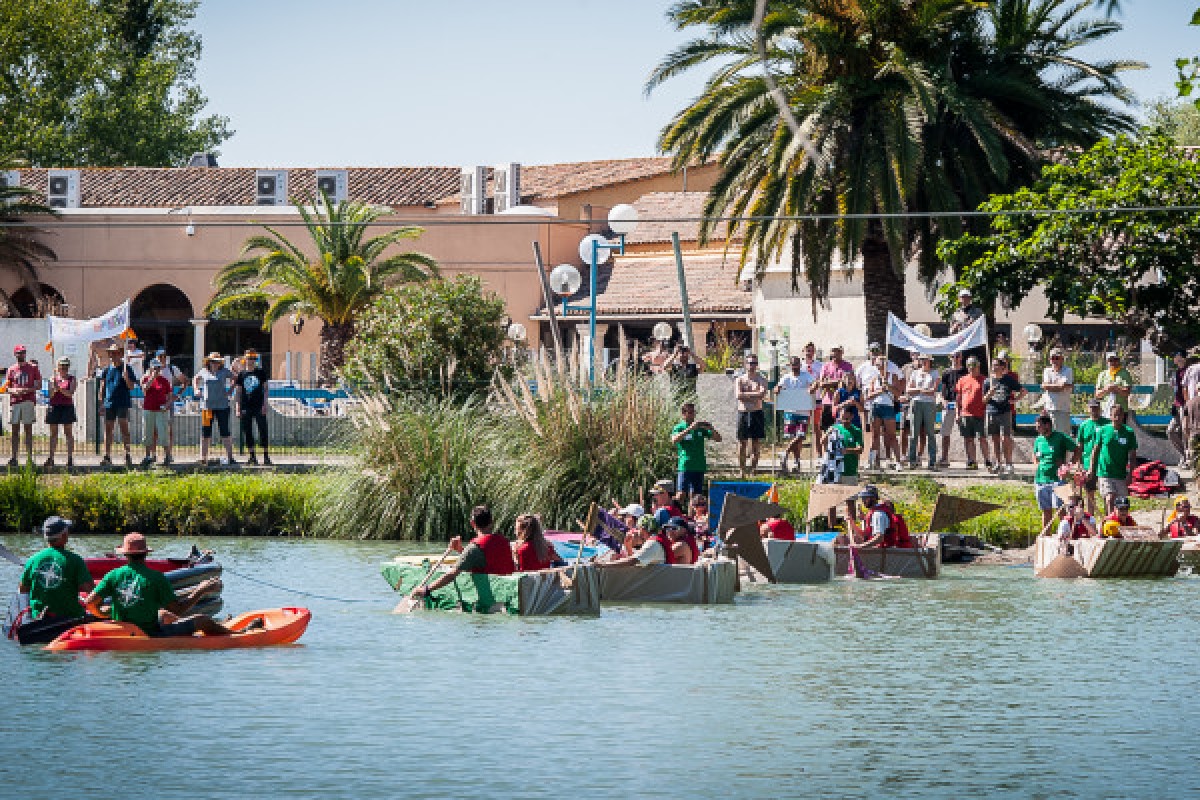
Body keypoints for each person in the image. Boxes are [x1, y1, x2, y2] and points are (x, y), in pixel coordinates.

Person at [85, 532, 231, 637]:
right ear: (146, 553)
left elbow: (90, 602)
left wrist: (103, 613)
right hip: (150, 633)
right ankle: (236, 633)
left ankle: (221, 626)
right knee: (201, 620)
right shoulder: (156, 578)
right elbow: (177, 610)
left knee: (163, 613)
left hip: (122, 629)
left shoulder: (113, 575)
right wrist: (201, 590)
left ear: (125, 554)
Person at [409, 506, 515, 600]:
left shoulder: (474, 547)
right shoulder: (505, 541)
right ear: (491, 522)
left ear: (472, 523)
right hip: (507, 593)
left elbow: (452, 575)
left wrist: (426, 590)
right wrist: (460, 550)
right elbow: (485, 559)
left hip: (490, 596)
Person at [18, 517, 93, 622]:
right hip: (70, 619)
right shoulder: (75, 560)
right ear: (64, 535)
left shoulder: (32, 560)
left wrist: (28, 617)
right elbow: (89, 589)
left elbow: (23, 590)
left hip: (38, 620)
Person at [1032, 413, 1080, 530]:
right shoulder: (1038, 440)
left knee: (1061, 511)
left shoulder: (1060, 437)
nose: (1037, 429)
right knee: (1046, 511)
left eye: (1039, 426)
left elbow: (1077, 449)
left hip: (1058, 480)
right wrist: (1037, 464)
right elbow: (1034, 455)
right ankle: (1046, 536)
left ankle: (1064, 535)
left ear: (1047, 425)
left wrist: (1069, 465)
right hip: (1041, 480)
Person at [1087, 404, 1137, 517]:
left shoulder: (1129, 432)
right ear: (1110, 416)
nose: (1117, 418)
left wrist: (1131, 474)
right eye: (1115, 415)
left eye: (1120, 415)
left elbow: (1133, 455)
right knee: (1109, 499)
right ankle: (1110, 525)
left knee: (1121, 503)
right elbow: (1095, 451)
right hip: (1105, 472)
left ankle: (1119, 525)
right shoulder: (1103, 430)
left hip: (1120, 473)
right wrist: (1091, 468)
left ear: (1123, 416)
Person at [983, 357, 1025, 474]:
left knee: (1005, 438)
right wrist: (989, 394)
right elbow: (984, 400)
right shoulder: (987, 381)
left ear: (1002, 367)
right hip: (991, 412)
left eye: (996, 365)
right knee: (994, 438)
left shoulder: (1008, 380)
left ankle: (1009, 463)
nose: (994, 367)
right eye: (993, 365)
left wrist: (1015, 400)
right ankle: (998, 462)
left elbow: (1023, 391)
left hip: (1005, 412)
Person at [775, 356, 815, 473]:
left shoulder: (805, 375)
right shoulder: (786, 377)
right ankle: (797, 463)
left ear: (800, 364)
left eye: (797, 364)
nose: (795, 367)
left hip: (803, 411)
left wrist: (812, 388)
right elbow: (778, 387)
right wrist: (777, 389)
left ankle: (785, 453)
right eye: (793, 365)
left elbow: (815, 383)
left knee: (801, 436)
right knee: (794, 438)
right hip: (790, 411)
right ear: (790, 365)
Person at [194, 352, 235, 466]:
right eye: (213, 361)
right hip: (207, 407)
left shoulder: (224, 371)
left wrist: (231, 390)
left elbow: (235, 378)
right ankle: (203, 458)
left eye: (217, 362)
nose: (215, 364)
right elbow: (195, 379)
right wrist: (196, 389)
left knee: (225, 431)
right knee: (205, 432)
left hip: (222, 406)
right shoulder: (204, 371)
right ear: (209, 362)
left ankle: (230, 457)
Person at [4, 344, 41, 467]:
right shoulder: (11, 369)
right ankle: (14, 457)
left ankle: (30, 458)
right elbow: (6, 387)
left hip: (28, 401)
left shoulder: (33, 368)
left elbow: (39, 385)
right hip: (15, 402)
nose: (21, 354)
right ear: (15, 354)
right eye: (19, 352)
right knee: (14, 430)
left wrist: (26, 390)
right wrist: (13, 391)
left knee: (28, 430)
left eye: (23, 352)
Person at [671, 402, 721, 494]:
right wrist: (689, 429)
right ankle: (677, 508)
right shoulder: (679, 427)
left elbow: (718, 439)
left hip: (699, 465)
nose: (692, 415)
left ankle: (691, 509)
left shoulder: (700, 428)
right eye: (689, 412)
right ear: (683, 414)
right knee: (681, 493)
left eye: (693, 412)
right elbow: (674, 440)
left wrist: (711, 428)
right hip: (685, 465)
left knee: (695, 495)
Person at [99, 343, 136, 467]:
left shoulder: (127, 369)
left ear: (120, 354)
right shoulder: (107, 370)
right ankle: (107, 455)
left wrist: (126, 378)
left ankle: (127, 454)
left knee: (124, 428)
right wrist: (101, 403)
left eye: (116, 353)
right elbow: (102, 387)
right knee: (108, 429)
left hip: (122, 402)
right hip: (109, 403)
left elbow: (131, 387)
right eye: (112, 353)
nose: (114, 355)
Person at [234, 348, 271, 466]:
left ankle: (266, 456)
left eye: (253, 358)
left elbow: (265, 389)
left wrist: (265, 404)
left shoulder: (261, 373)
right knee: (248, 431)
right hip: (246, 406)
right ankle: (252, 457)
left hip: (259, 406)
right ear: (245, 359)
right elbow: (238, 392)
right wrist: (238, 407)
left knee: (263, 430)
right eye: (249, 358)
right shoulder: (242, 374)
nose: (251, 361)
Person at [864, 354, 901, 470]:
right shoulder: (874, 379)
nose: (880, 364)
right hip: (876, 406)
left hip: (888, 406)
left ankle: (898, 461)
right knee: (875, 435)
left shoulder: (892, 376)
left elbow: (898, 393)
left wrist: (888, 387)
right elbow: (869, 395)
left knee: (891, 435)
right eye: (879, 362)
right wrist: (880, 390)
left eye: (883, 362)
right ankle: (873, 460)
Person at [734, 354, 769, 477]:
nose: (752, 366)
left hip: (756, 413)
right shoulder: (740, 379)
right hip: (743, 412)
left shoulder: (762, 379)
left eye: (754, 363)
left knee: (755, 443)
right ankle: (742, 470)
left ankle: (753, 470)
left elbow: (761, 395)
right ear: (745, 364)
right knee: (741, 443)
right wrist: (754, 393)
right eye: (749, 363)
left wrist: (746, 394)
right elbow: (738, 395)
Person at [1075, 399, 1110, 517]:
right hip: (1087, 463)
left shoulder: (1107, 423)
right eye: (1092, 408)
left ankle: (1108, 518)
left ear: (1100, 408)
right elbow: (1080, 445)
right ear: (1088, 409)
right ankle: (1091, 519)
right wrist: (1078, 464)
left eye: (1096, 407)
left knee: (1107, 493)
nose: (1094, 410)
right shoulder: (1084, 425)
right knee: (1089, 493)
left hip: (1103, 463)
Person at [596, 515, 674, 567]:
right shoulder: (655, 541)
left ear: (642, 529)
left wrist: (604, 565)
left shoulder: (653, 543)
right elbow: (635, 561)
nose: (636, 531)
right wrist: (628, 547)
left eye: (637, 528)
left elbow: (632, 561)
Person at [955, 357, 990, 470]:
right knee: (968, 439)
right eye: (969, 367)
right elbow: (958, 398)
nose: (972, 369)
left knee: (982, 438)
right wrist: (957, 413)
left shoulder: (985, 380)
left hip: (980, 414)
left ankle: (987, 460)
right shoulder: (962, 380)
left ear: (978, 367)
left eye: (974, 367)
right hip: (965, 414)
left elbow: (989, 397)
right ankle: (971, 460)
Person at [815, 345, 854, 446]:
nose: (835, 354)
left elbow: (848, 382)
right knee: (826, 428)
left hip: (842, 402)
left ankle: (840, 451)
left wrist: (830, 382)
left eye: (837, 351)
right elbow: (822, 383)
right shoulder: (826, 366)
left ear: (841, 352)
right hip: (827, 402)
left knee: (842, 428)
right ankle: (827, 454)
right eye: (833, 351)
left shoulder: (848, 366)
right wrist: (838, 382)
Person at [906, 353, 939, 470]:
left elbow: (933, 390)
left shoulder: (935, 373)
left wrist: (919, 391)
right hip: (916, 403)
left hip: (929, 404)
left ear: (930, 361)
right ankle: (912, 460)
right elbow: (908, 390)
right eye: (922, 360)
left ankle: (932, 461)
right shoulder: (915, 373)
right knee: (914, 432)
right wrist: (921, 390)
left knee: (930, 432)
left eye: (926, 360)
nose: (924, 361)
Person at [140, 358, 173, 467]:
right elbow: (145, 389)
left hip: (161, 410)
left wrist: (167, 405)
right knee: (148, 433)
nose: (157, 370)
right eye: (155, 368)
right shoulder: (145, 378)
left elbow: (169, 397)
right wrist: (152, 377)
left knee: (163, 434)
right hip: (148, 409)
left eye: (158, 368)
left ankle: (167, 456)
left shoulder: (164, 381)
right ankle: (148, 456)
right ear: (150, 368)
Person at [44, 357, 76, 468]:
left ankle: (70, 458)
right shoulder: (52, 379)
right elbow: (50, 395)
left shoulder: (72, 379)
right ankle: (51, 458)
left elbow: (70, 393)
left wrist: (60, 389)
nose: (64, 368)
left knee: (68, 433)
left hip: (67, 407)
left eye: (66, 366)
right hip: (54, 406)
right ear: (58, 367)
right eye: (62, 366)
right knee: (53, 434)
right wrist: (54, 387)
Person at [937, 352, 967, 467]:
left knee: (966, 433)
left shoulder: (965, 372)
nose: (955, 358)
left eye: (958, 356)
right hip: (949, 404)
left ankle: (970, 459)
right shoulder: (946, 372)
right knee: (945, 432)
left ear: (961, 357)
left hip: (962, 405)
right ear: (950, 358)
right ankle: (944, 458)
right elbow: (943, 389)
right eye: (953, 356)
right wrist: (944, 401)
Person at [157, 348, 187, 461]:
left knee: (168, 428)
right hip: (155, 400)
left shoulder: (172, 368)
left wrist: (177, 395)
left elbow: (185, 382)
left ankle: (168, 454)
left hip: (168, 400)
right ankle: (153, 454)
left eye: (164, 357)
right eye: (160, 357)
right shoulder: (152, 369)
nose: (162, 359)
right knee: (155, 429)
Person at [1040, 348, 1075, 434]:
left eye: (1057, 358)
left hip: (1063, 409)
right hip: (1049, 407)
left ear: (1062, 359)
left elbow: (1062, 386)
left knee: (1062, 435)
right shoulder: (1047, 371)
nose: (1054, 360)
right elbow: (1046, 386)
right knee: (1048, 433)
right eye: (1053, 358)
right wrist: (1058, 386)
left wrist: (1049, 386)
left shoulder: (1068, 370)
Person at [1095, 351, 1133, 418]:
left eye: (1115, 360)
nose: (1113, 362)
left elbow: (1127, 393)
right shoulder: (1102, 374)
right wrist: (1107, 389)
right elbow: (1097, 395)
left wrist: (1116, 388)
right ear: (1107, 362)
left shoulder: (1125, 373)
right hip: (1105, 410)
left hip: (1121, 410)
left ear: (1119, 361)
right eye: (1111, 360)